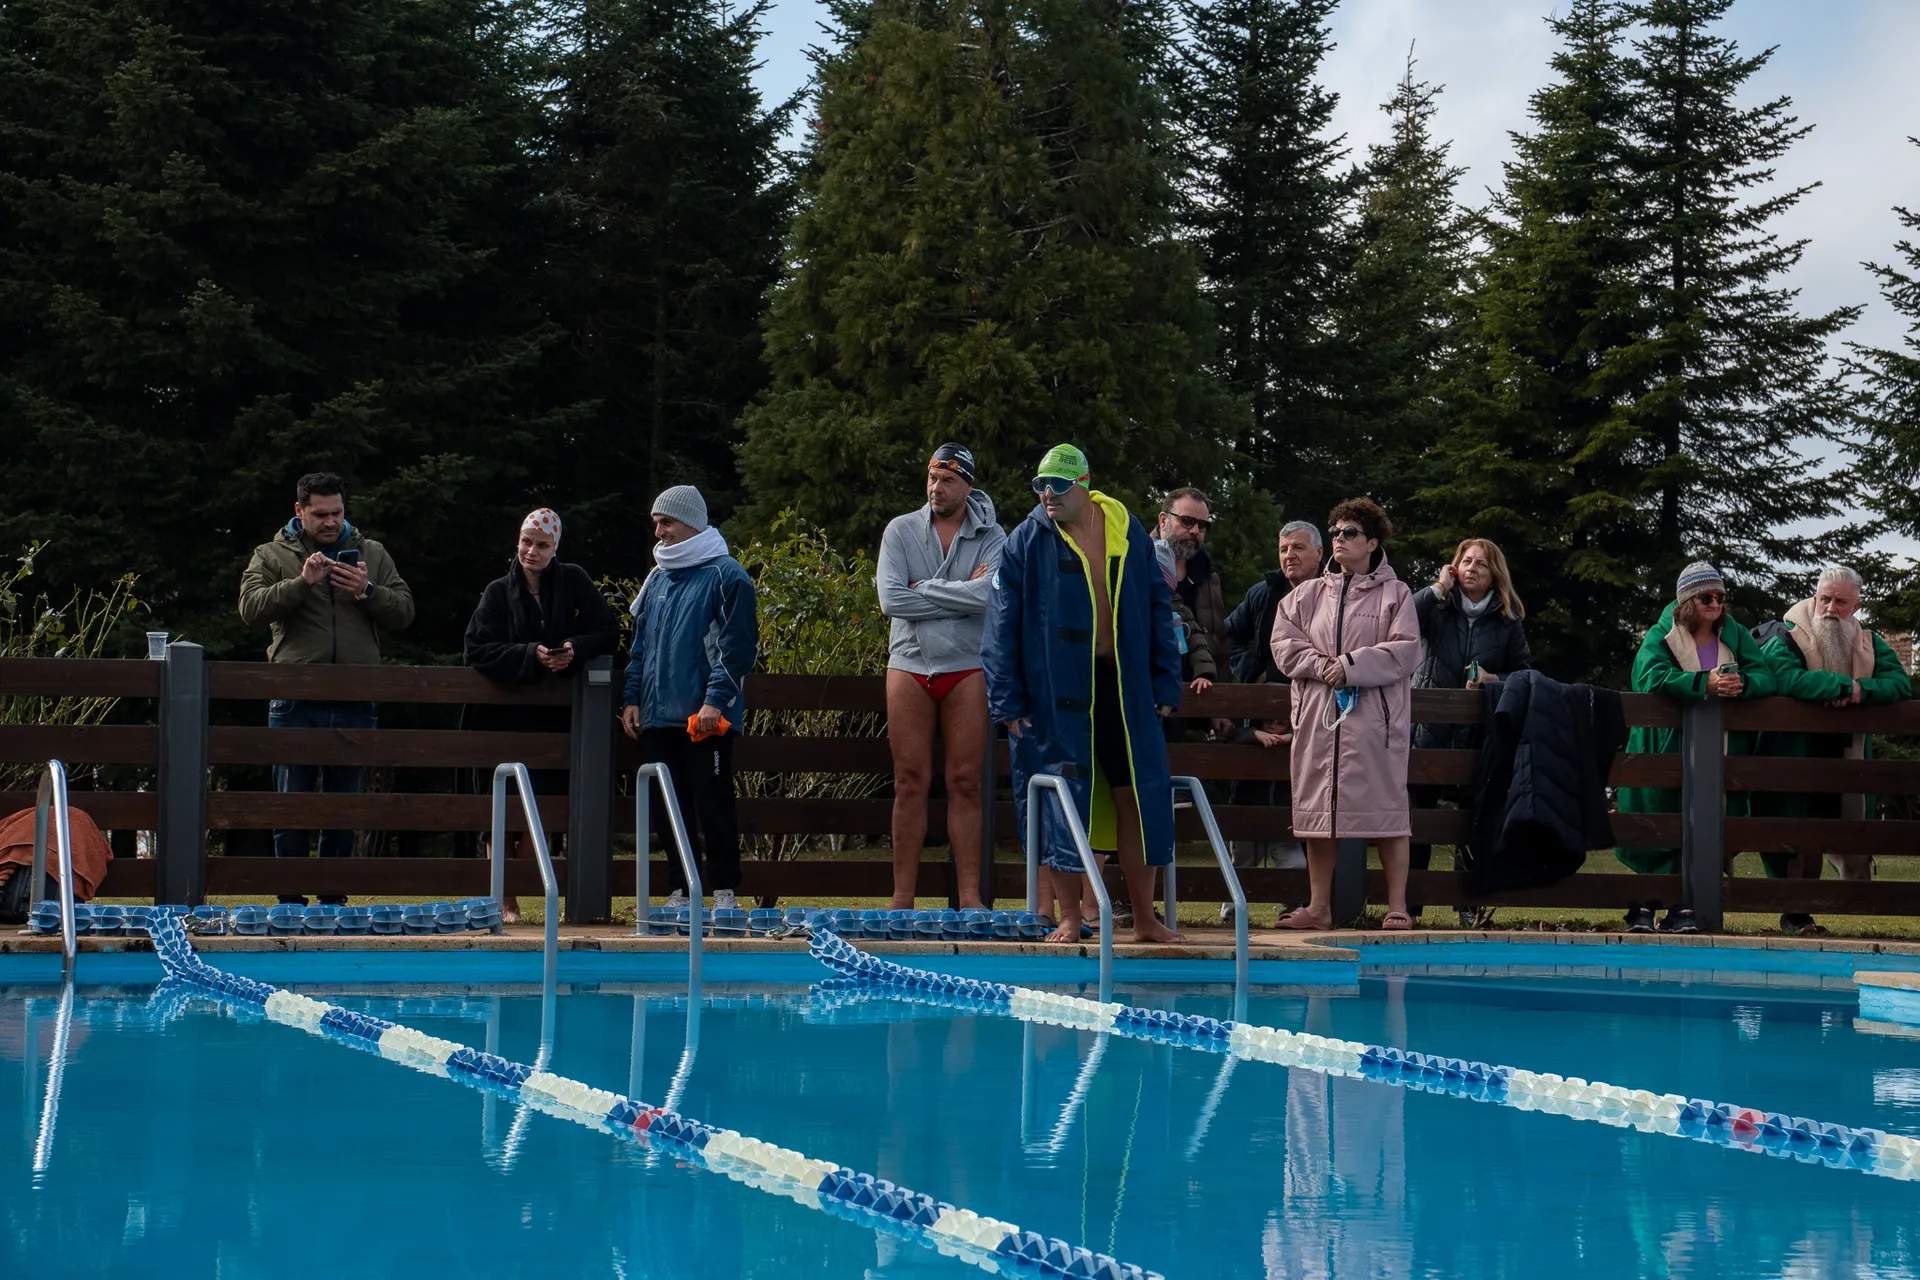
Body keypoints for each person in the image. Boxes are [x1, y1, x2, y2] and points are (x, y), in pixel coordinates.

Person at [983, 444, 1186, 944]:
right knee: (1062, 799)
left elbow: (1158, 606)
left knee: (1137, 796)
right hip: (1055, 690)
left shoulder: (1124, 529)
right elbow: (1000, 623)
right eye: (1040, 485)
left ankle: (1145, 919)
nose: (1047, 494)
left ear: (1085, 483)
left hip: (1123, 686)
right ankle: (1071, 917)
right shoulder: (1027, 539)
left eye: (1057, 484)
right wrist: (1006, 699)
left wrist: (1166, 680)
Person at [238, 471, 415, 906]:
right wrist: (302, 583)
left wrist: (367, 590)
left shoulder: (372, 553)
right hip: (294, 699)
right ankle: (289, 903)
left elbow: (405, 611)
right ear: (299, 511)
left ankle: (333, 903)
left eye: (337, 512)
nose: (331, 522)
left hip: (356, 697)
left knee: (344, 807)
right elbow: (250, 609)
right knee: (291, 806)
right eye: (320, 515)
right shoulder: (271, 554)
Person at [1270, 498, 1421, 931]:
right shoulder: (1307, 595)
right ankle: (1319, 908)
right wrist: (1324, 667)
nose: (1339, 538)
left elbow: (1406, 650)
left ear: (1372, 542)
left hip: (1377, 726)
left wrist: (1351, 666)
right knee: (1320, 814)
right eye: (1335, 531)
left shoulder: (1397, 593)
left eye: (1349, 532)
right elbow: (1283, 645)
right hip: (1318, 723)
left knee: (1389, 814)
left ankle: (1398, 907)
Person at [464, 508, 620, 922]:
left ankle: (518, 889)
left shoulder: (573, 581)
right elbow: (476, 649)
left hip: (554, 719)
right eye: (526, 542)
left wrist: (572, 649)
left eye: (542, 545)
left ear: (556, 548)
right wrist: (530, 654)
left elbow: (607, 630)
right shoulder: (498, 591)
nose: (531, 551)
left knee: (545, 807)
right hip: (502, 716)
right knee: (501, 811)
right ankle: (503, 900)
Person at [876, 443, 1006, 910]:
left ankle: (970, 897)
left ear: (967, 486)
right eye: (932, 478)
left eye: (948, 480)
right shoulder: (900, 530)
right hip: (909, 664)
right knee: (909, 780)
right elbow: (891, 600)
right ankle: (902, 899)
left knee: (966, 781)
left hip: (967, 666)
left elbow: (992, 597)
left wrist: (925, 588)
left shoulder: (994, 536)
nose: (937, 488)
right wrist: (962, 591)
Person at [1614, 562, 1777, 933]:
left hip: (1720, 748)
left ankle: (1686, 907)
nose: (1716, 604)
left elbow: (1766, 676)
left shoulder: (1735, 633)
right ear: (1688, 600)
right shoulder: (1662, 633)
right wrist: (1704, 684)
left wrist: (1741, 684)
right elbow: (1650, 676)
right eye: (1707, 597)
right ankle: (1647, 903)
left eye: (1720, 597)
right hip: (1664, 744)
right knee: (1656, 820)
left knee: (1709, 822)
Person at [619, 487, 759, 916]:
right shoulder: (658, 578)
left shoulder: (727, 574)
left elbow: (737, 646)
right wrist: (632, 697)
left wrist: (715, 702)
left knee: (713, 803)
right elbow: (640, 646)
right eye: (656, 523)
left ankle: (724, 892)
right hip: (657, 715)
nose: (659, 532)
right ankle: (681, 890)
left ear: (692, 523)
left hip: (705, 717)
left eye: (667, 522)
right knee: (667, 808)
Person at [1752, 564, 1913, 934]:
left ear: (1856, 606)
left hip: (1844, 756)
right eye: (1824, 599)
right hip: (1793, 755)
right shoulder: (1788, 635)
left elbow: (1898, 683)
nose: (1829, 608)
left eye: (1840, 602)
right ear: (1814, 598)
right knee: (1795, 833)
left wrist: (1861, 690)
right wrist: (1840, 686)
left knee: (1836, 830)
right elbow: (1784, 676)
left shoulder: (1869, 642)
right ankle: (1796, 914)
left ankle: (1827, 908)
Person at [1410, 538, 1533, 925]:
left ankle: (1469, 909)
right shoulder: (1438, 609)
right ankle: (1408, 907)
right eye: (1466, 561)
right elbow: (1402, 618)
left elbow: (1525, 675)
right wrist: (1437, 587)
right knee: (1417, 822)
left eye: (1481, 563)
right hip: (1427, 732)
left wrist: (1494, 679)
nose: (1472, 568)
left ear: (1494, 573)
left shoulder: (1508, 621)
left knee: (1475, 823)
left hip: (1478, 738)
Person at [1217, 521, 1322, 910]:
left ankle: (1295, 903)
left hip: (1314, 720)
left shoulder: (1335, 596)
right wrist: (1252, 671)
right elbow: (1226, 635)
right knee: (1248, 812)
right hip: (1260, 725)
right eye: (1283, 549)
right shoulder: (1263, 594)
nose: (1289, 555)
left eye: (1298, 548)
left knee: (1301, 818)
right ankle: (1233, 908)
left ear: (1319, 553)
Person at [1156, 488, 1232, 671]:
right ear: (1164, 520)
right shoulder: (1136, 565)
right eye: (1187, 521)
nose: (1195, 531)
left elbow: (1220, 642)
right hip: (1153, 681)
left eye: (1202, 525)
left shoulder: (1209, 577)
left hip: (1202, 682)